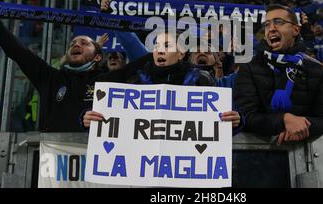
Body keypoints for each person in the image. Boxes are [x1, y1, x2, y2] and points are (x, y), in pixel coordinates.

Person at [0, 3, 104, 132]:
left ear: (97, 57)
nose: (76, 45)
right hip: (51, 150)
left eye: (84, 43)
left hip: (94, 149)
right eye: (72, 44)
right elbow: (18, 51)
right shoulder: (50, 78)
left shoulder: (107, 80)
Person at [84, 31, 242, 130]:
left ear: (181, 54)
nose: (159, 50)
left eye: (167, 45)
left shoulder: (202, 81)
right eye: (156, 45)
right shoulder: (135, 81)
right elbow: (113, 119)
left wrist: (237, 122)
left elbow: (219, 124)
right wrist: (87, 119)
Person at [234, 4, 323, 144]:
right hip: (257, 156)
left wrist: (300, 127)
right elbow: (245, 117)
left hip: (306, 157)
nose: (272, 28)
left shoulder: (317, 71)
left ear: (295, 30)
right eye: (267, 24)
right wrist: (284, 120)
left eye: (279, 22)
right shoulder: (249, 68)